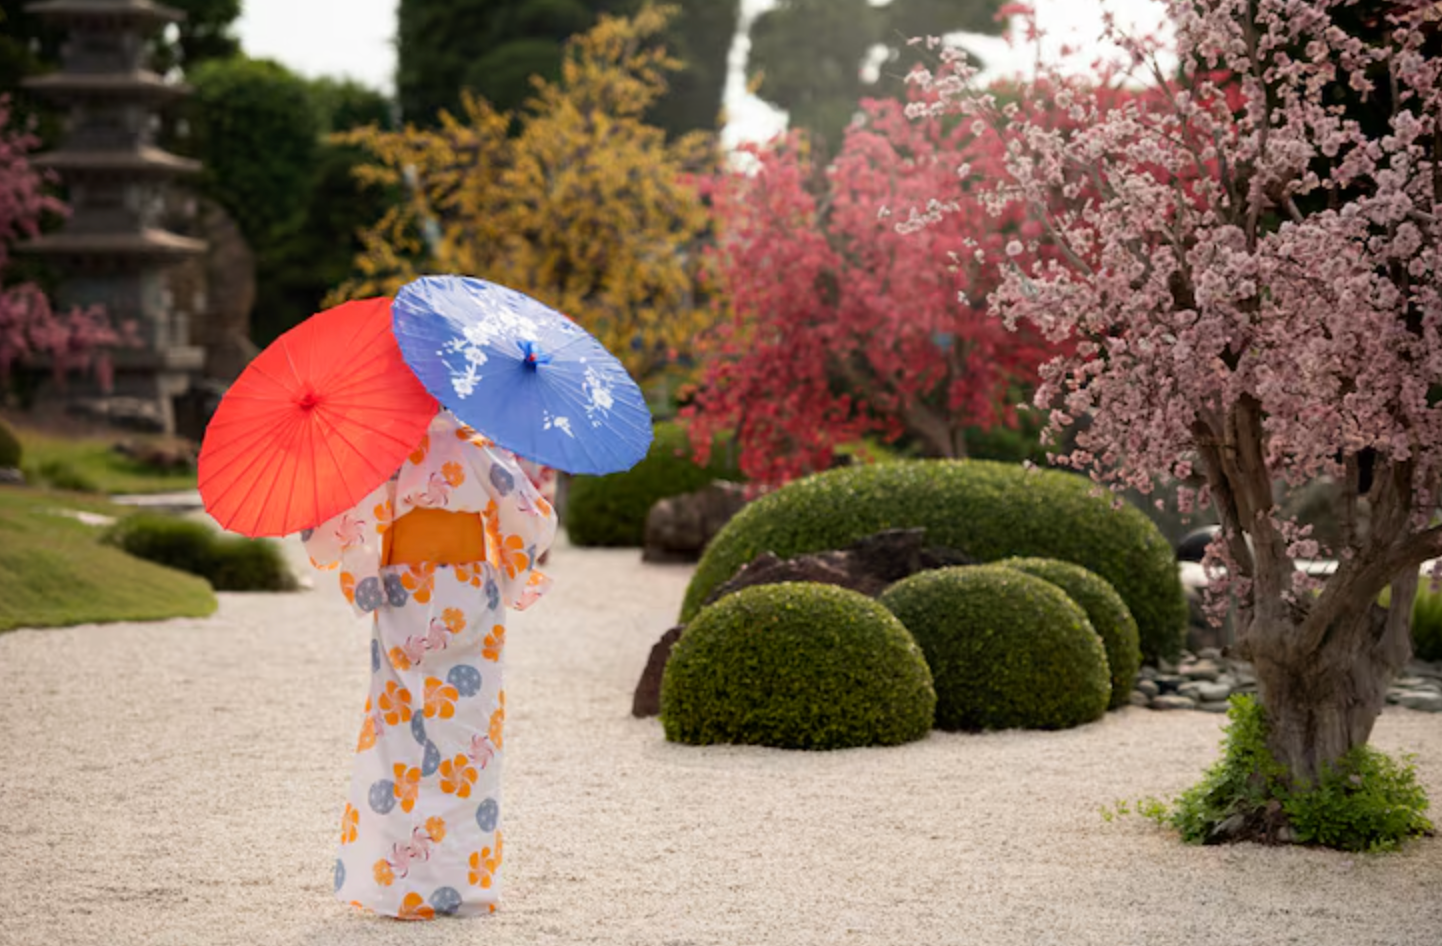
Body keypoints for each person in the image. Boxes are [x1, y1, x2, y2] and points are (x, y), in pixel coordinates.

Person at [301, 408, 557, 920]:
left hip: (404, 593)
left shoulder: (383, 447)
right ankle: (464, 885)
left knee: (400, 732)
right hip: (469, 589)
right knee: (470, 738)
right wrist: (511, 577)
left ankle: (396, 886)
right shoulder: (478, 446)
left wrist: (363, 572)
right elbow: (530, 518)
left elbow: (345, 520)